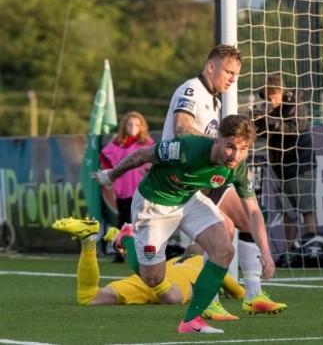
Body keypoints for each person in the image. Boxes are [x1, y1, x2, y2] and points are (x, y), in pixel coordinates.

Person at [93, 114, 273, 334]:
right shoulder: (186, 148)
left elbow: (253, 212)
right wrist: (111, 176)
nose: (236, 155)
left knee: (224, 251)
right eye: (231, 147)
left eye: (243, 149)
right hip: (154, 204)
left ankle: (192, 320)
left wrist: (265, 252)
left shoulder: (238, 168)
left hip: (189, 200)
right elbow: (141, 155)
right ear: (218, 139)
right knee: (152, 279)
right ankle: (127, 238)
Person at [162, 44, 287, 319]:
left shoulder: (214, 99)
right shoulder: (191, 90)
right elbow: (182, 129)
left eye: (236, 74)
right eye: (228, 71)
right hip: (186, 173)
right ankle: (250, 295)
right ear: (210, 67)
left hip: (202, 174)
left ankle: (212, 298)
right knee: (248, 216)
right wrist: (224, 147)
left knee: (228, 228)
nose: (232, 78)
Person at [51, 217, 243, 310]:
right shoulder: (209, 266)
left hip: (148, 278)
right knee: (173, 297)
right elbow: (238, 292)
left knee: (89, 297)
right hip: (167, 287)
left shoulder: (174, 261)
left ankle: (89, 242)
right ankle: (124, 238)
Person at [253, 73, 318, 256]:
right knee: (287, 213)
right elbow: (267, 134)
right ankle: (290, 252)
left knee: (307, 210)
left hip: (301, 166)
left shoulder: (296, 104)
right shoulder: (271, 110)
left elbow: (294, 129)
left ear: (280, 92)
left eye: (271, 96)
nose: (269, 101)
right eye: (267, 97)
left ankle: (312, 249)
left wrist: (270, 120)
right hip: (280, 169)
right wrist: (258, 122)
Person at [100, 111, 155, 263]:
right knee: (123, 220)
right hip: (123, 190)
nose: (133, 127)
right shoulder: (118, 143)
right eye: (130, 124)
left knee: (142, 221)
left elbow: (155, 160)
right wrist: (109, 175)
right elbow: (104, 158)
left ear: (142, 127)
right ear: (124, 126)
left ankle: (144, 252)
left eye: (136, 125)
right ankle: (120, 253)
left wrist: (148, 167)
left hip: (142, 189)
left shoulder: (147, 143)